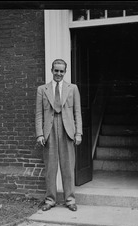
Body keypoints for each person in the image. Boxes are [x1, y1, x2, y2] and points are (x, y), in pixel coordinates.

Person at [35, 59, 82, 212]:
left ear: (65, 72)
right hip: (49, 130)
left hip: (67, 129)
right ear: (52, 70)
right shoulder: (42, 89)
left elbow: (77, 113)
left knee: (68, 167)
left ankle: (70, 200)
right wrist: (40, 134)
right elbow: (39, 114)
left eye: (61, 71)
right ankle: (50, 200)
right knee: (50, 167)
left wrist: (78, 133)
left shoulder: (73, 88)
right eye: (56, 70)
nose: (59, 74)